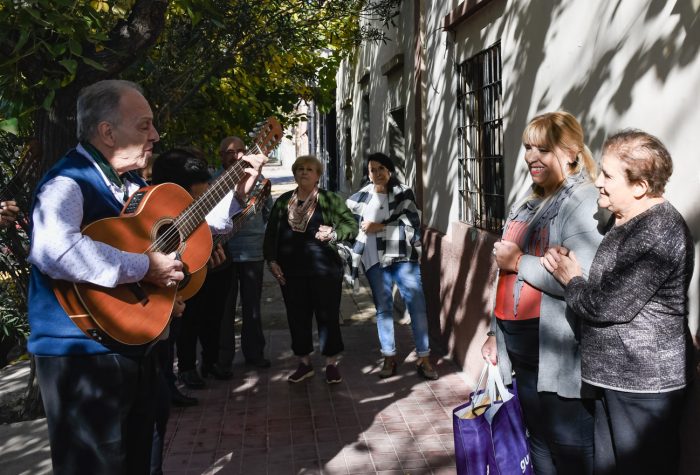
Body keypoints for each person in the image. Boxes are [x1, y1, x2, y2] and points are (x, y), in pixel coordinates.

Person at [27, 79, 264, 474]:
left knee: (145, 460)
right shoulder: (67, 183)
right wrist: (145, 268)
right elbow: (54, 249)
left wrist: (238, 194)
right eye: (144, 125)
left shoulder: (134, 186)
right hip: (83, 356)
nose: (155, 134)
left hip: (138, 343)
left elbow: (195, 231)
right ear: (107, 132)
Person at [543, 129, 694, 475]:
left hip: (643, 386)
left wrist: (571, 278)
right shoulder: (629, 220)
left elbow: (607, 306)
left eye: (608, 175)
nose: (598, 181)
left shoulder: (659, 231)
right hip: (617, 381)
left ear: (640, 187)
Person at [480, 111, 606, 474]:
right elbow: (505, 278)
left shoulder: (582, 201)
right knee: (537, 441)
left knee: (570, 449)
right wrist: (494, 332)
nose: (531, 157)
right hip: (520, 350)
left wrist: (518, 260)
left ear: (570, 152)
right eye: (527, 148)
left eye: (542, 149)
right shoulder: (530, 201)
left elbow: (577, 279)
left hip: (556, 352)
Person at [263, 155, 357, 384]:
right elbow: (272, 234)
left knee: (327, 316)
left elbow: (350, 225)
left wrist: (333, 234)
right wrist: (271, 260)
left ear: (317, 175)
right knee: (297, 317)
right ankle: (304, 363)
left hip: (324, 270)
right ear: (295, 174)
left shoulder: (329, 200)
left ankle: (331, 363)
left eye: (309, 169)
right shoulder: (283, 201)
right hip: (291, 272)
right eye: (300, 169)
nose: (304, 172)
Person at [346, 152, 438, 380]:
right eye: (372, 170)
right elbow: (349, 222)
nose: (377, 173)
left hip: (403, 259)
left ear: (389, 170)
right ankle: (389, 356)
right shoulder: (362, 197)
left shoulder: (403, 192)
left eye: (381, 169)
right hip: (374, 260)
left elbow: (412, 222)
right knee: (383, 309)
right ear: (368, 174)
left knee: (417, 307)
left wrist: (380, 227)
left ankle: (424, 358)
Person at [217, 136, 272, 372]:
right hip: (223, 254)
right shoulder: (213, 182)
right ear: (221, 156)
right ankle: (222, 360)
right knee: (224, 310)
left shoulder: (260, 182)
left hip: (252, 254)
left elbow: (267, 213)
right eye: (230, 152)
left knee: (252, 308)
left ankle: (254, 354)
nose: (237, 156)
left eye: (241, 151)